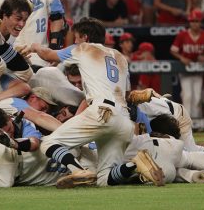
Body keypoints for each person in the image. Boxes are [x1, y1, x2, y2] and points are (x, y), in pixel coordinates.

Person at [27, 17, 162, 187]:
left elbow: (47, 55)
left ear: (85, 37)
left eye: (76, 37)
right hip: (124, 120)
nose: (75, 41)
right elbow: (126, 93)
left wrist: (35, 46)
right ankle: (135, 163)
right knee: (104, 179)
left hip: (101, 111)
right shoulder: (120, 56)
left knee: (49, 143)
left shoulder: (83, 48)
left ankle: (78, 170)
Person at [170, 9, 204, 118]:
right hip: (185, 70)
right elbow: (173, 50)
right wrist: (182, 58)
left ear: (200, 22)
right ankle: (187, 122)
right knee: (187, 96)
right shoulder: (182, 35)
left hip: (198, 70)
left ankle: (197, 122)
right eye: (192, 21)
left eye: (197, 21)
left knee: (197, 97)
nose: (194, 23)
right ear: (189, 22)